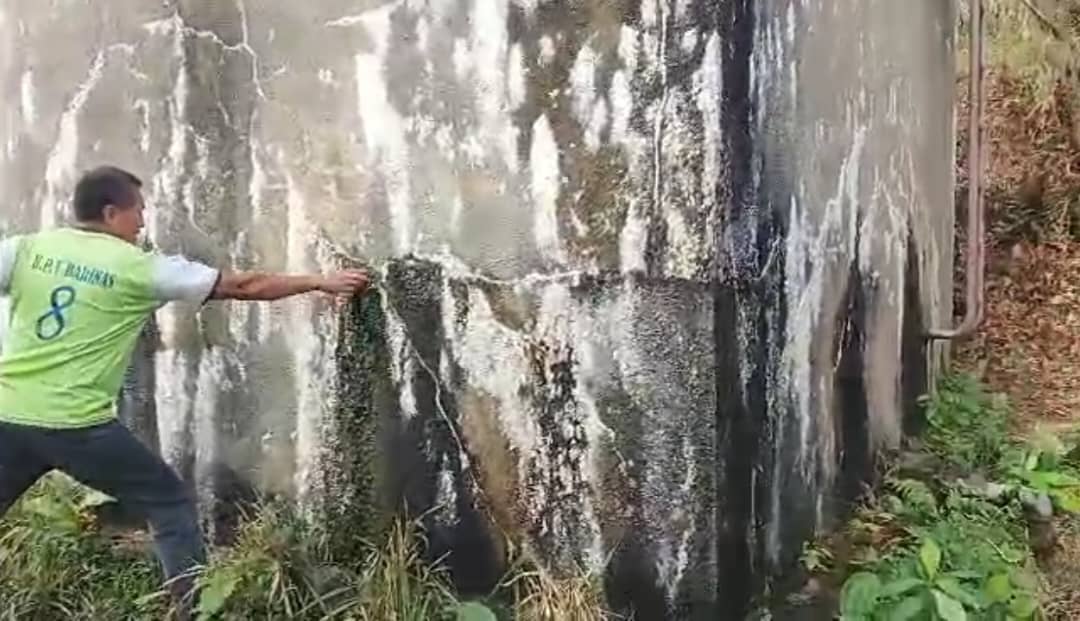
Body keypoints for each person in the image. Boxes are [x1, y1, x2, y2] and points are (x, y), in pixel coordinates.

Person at [0, 165, 370, 616]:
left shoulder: (26, 249)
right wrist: (319, 281)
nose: (142, 222)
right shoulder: (139, 268)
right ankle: (193, 609)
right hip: (78, 426)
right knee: (169, 503)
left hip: (9, 415)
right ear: (112, 211)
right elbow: (242, 286)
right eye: (138, 211)